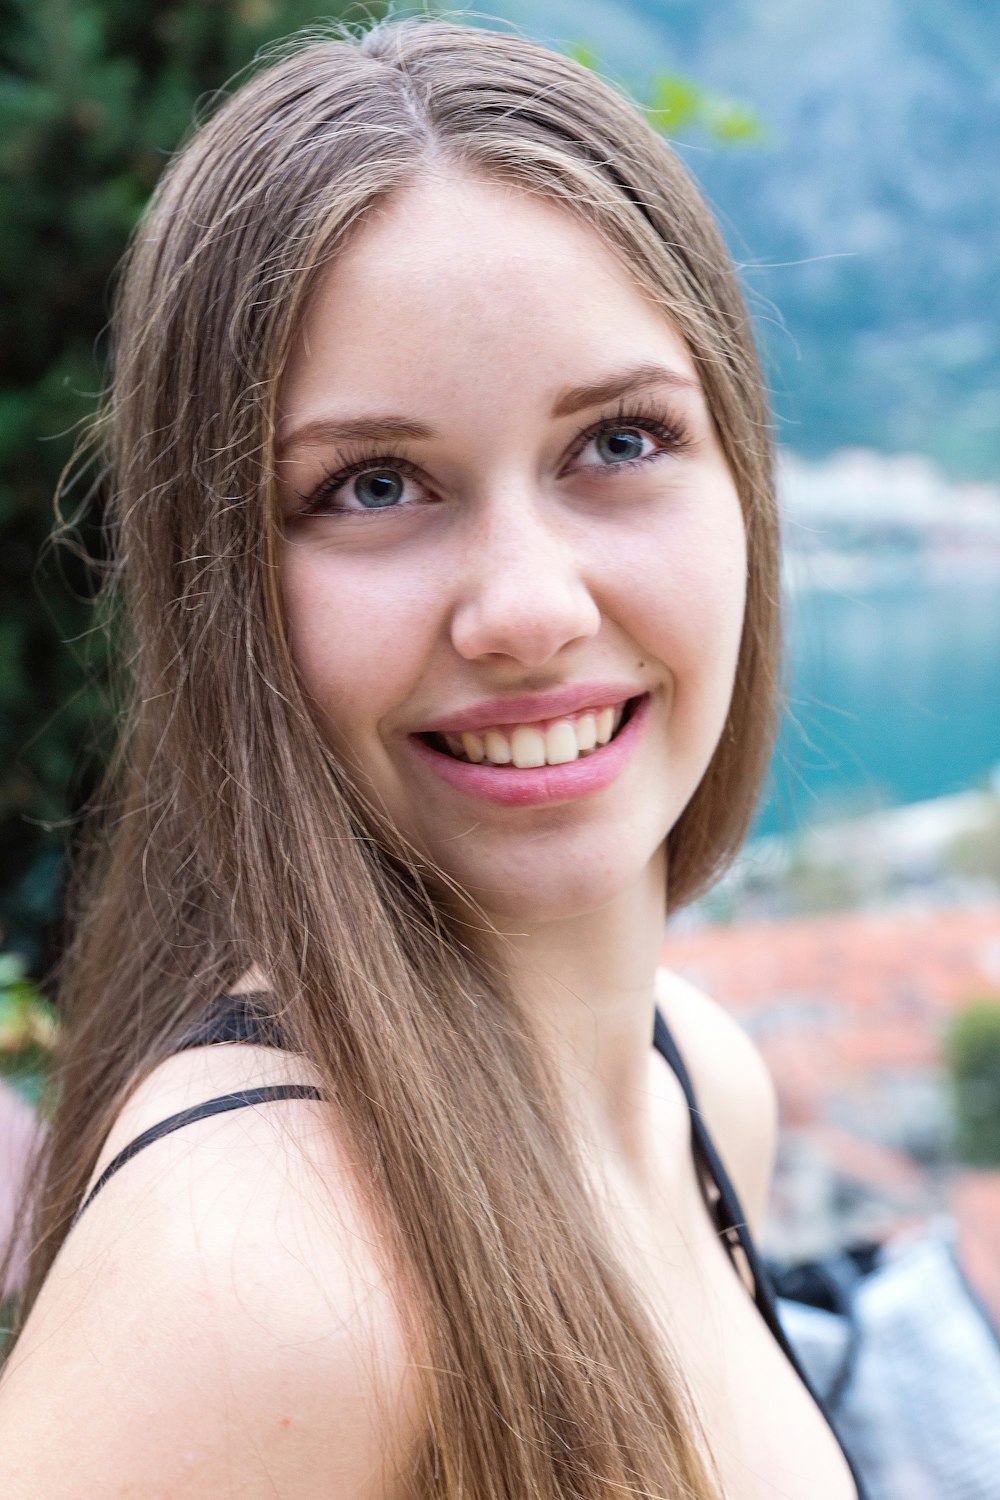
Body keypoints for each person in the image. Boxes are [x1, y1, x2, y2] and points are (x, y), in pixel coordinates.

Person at [0, 18, 866, 1499]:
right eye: (373, 485)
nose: (530, 610)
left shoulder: (699, 1086)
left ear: (743, 479)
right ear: (221, 593)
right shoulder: (259, 1283)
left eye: (620, 442)